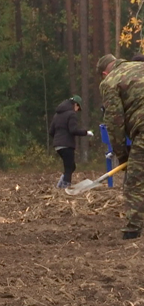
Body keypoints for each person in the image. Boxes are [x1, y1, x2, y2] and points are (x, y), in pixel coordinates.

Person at [98, 53, 144, 240]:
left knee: (135, 180)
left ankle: (133, 228)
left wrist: (122, 154)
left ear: (104, 73)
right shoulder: (139, 67)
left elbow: (115, 122)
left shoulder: (110, 82)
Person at [48, 95, 93, 189]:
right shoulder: (71, 114)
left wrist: (58, 139)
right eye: (78, 107)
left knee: (71, 166)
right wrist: (86, 132)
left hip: (57, 145)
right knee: (69, 167)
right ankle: (65, 188)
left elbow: (51, 131)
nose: (77, 110)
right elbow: (73, 130)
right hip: (67, 145)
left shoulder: (57, 114)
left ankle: (60, 186)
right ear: (75, 104)